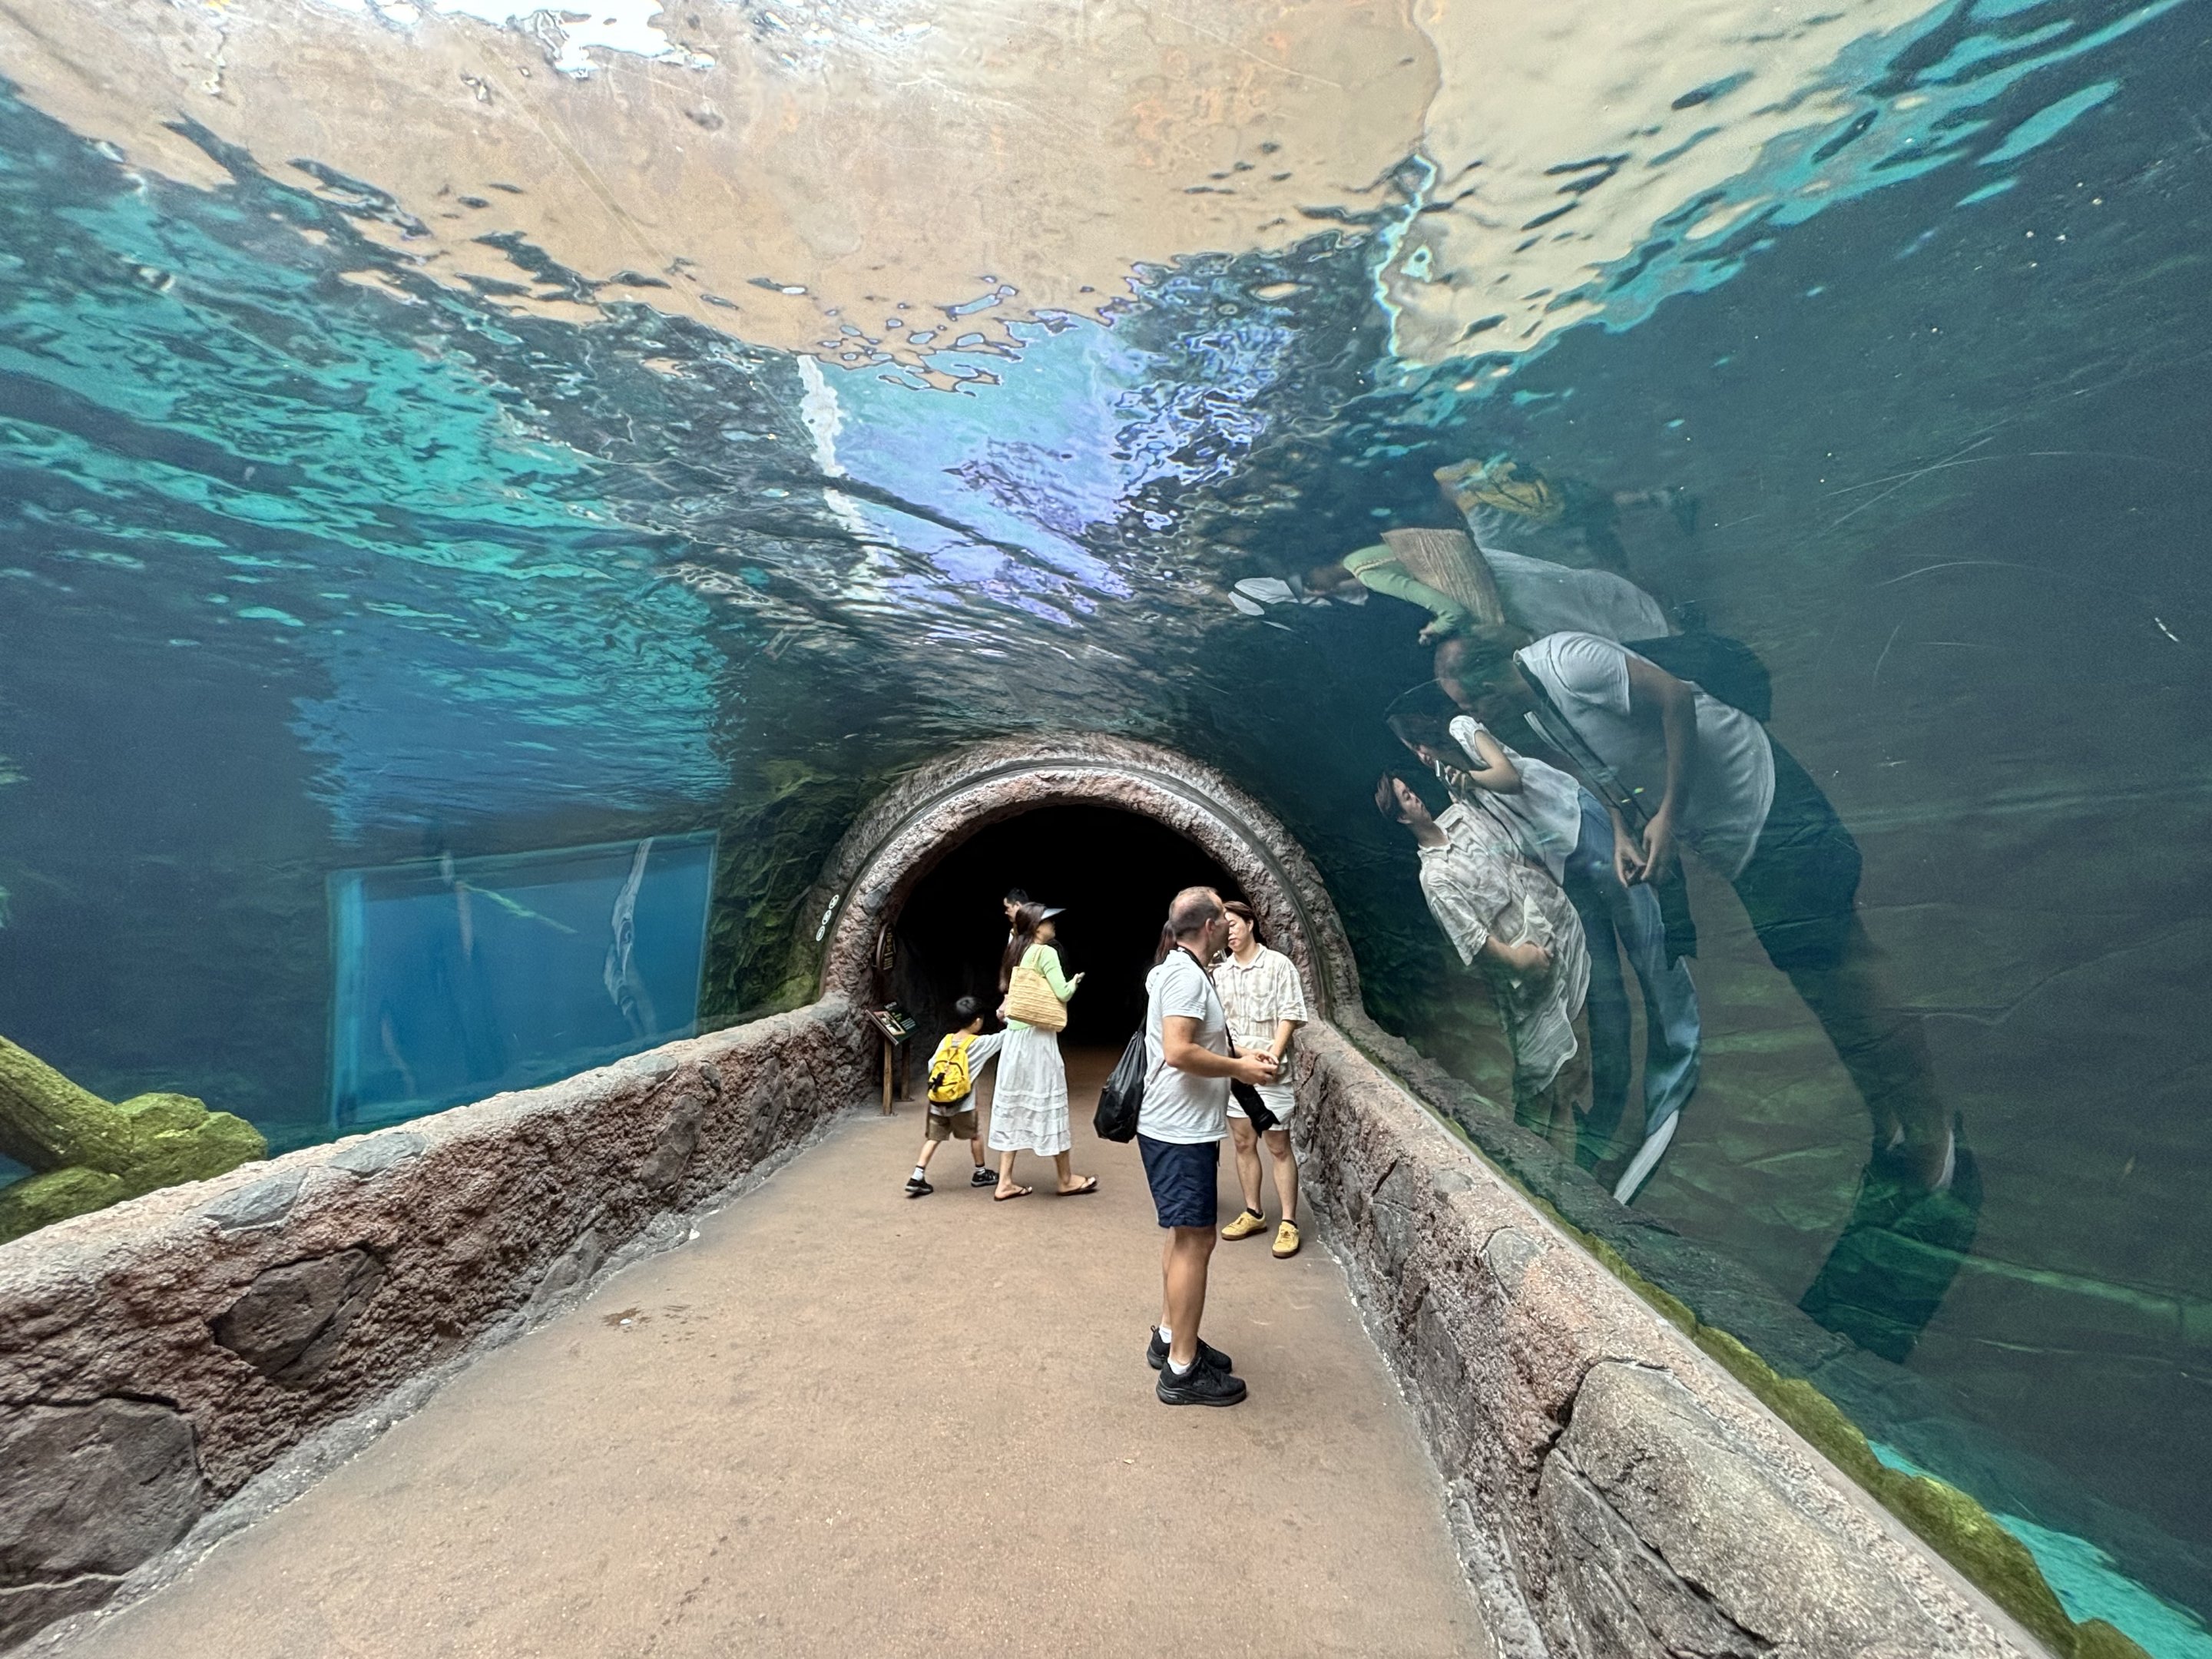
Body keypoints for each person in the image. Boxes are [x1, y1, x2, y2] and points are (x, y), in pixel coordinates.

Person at [1435, 626, 1980, 1359]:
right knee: (1816, 979)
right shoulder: (1530, 713)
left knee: (1846, 963)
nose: (1479, 719)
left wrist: (1667, 810)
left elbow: (1678, 702)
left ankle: (1938, 1145)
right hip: (1733, 838)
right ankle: (1893, 1129)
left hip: (1765, 799)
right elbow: (1601, 768)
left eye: (1476, 700)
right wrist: (1631, 827)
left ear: (1500, 670)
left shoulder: (1569, 658)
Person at [1390, 692, 1700, 1197]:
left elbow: (1508, 776)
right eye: (1414, 754)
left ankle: (1675, 1072)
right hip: (1560, 866)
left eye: (1416, 745)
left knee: (1647, 945)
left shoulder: (1465, 730)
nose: (1420, 758)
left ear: (1426, 731)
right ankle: (1608, 1115)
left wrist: (1466, 779)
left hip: (1578, 827)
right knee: (1605, 990)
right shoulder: (1450, 791)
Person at [1376, 773, 1591, 1146]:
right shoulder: (1436, 878)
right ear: (1401, 817)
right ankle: (1545, 1157)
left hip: (1561, 937)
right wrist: (1522, 961)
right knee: (1543, 1076)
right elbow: (1475, 944)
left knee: (1577, 1051)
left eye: (1411, 789)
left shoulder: (1460, 819)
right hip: (1529, 978)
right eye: (1407, 797)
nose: (1416, 798)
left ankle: (1576, 1128)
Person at [1141, 886, 1278, 1406]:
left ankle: (1172, 1336)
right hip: (1178, 1131)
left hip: (1178, 1127)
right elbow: (1178, 1051)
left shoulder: (1184, 970)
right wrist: (1239, 1068)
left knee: (1186, 1237)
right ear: (1209, 926)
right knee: (1196, 1241)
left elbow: (1197, 1042)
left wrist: (1241, 1054)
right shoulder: (1184, 977)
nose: (1231, 924)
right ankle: (1181, 1371)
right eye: (1224, 915)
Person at [1214, 901, 1309, 1258]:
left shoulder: (1278, 965)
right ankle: (1254, 1211)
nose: (1230, 931)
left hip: (1273, 1071)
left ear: (1250, 923)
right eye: (1224, 927)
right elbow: (1217, 1028)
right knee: (1242, 1142)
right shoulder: (1220, 974)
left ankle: (1289, 1221)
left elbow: (1291, 1014)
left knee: (1278, 1145)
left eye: (1234, 923)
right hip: (1238, 1071)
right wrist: (1239, 1056)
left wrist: (1273, 1053)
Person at [988, 903, 1097, 1200]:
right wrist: (1074, 981)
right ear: (1037, 927)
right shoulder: (1046, 953)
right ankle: (1065, 1178)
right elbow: (1061, 993)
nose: (1053, 925)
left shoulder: (1015, 952)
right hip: (1039, 1040)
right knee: (1051, 1100)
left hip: (1014, 1039)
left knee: (1014, 1105)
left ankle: (1005, 1181)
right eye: (1049, 921)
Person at [906, 997, 1003, 1197]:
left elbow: (932, 1065)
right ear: (977, 1021)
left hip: (937, 1102)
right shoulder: (979, 1043)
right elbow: (1006, 1037)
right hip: (962, 1105)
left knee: (933, 1138)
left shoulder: (946, 1040)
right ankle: (981, 1172)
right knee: (975, 1134)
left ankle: (917, 1175)